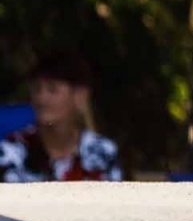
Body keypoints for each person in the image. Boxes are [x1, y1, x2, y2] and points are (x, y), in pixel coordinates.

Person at [0, 51, 122, 182]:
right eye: (37, 89)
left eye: (52, 89)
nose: (42, 98)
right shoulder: (10, 151)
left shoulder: (103, 152)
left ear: (80, 96)